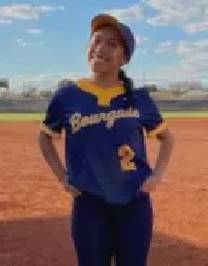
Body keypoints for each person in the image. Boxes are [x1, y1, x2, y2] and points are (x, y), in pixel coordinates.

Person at [39, 13, 174, 266]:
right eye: (97, 40)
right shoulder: (67, 96)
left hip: (134, 203)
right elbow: (45, 137)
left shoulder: (139, 98)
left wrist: (156, 177)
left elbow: (167, 139)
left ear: (124, 58)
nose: (100, 48)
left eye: (112, 44)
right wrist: (63, 178)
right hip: (89, 204)